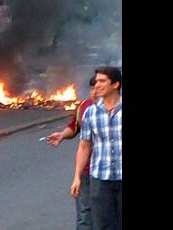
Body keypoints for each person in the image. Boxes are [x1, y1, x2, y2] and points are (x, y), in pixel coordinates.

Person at [71, 66, 122, 230]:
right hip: (100, 180)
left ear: (115, 84)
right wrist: (77, 177)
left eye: (102, 81)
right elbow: (84, 146)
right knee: (102, 225)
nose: (97, 85)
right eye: (96, 81)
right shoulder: (90, 113)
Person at [47, 76, 97, 230]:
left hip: (113, 174)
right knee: (84, 216)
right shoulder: (84, 107)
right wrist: (62, 135)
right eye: (92, 88)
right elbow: (74, 129)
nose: (95, 91)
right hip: (87, 171)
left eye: (100, 86)